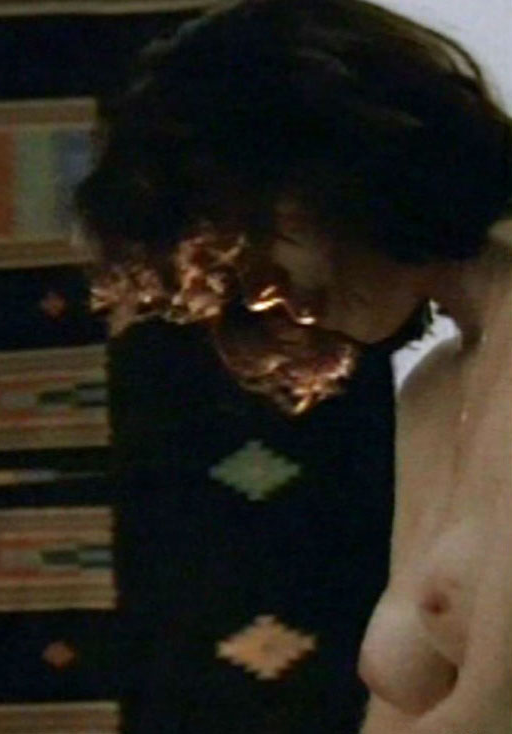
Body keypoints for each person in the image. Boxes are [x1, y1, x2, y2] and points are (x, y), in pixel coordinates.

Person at [73, 0, 512, 731]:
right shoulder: (433, 391)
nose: (264, 296)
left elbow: (495, 712)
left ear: (326, 161)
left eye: (251, 243)